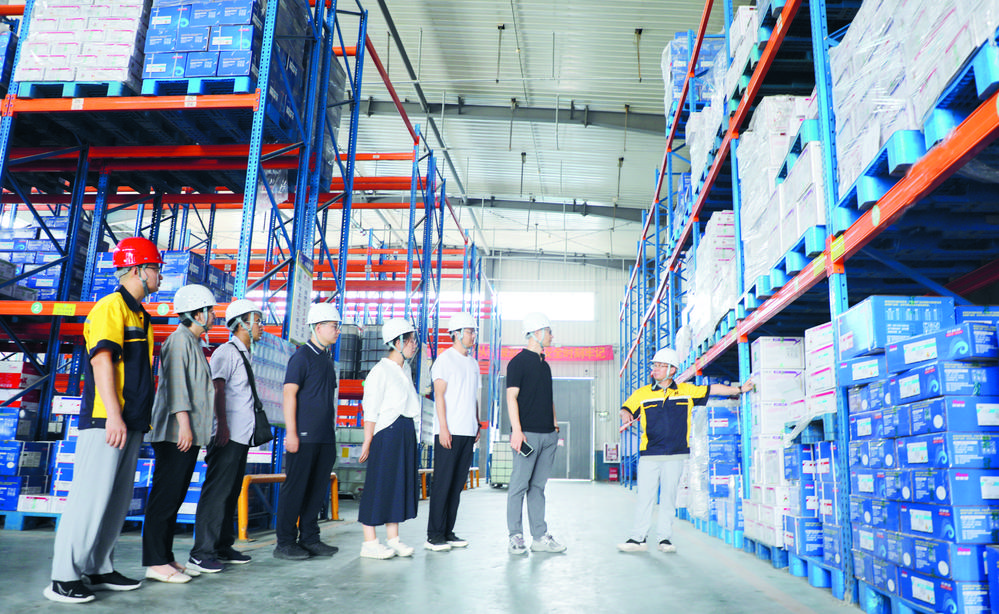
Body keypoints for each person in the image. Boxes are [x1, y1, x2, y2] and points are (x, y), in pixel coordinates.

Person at [44, 237, 162, 604]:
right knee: (90, 498)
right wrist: (113, 415)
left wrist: (133, 419)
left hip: (132, 421)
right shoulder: (111, 307)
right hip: (106, 420)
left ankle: (98, 567)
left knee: (115, 501)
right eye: (155, 268)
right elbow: (101, 360)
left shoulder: (140, 315)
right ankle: (64, 577)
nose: (159, 275)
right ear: (137, 270)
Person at [617, 347, 752, 554]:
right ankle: (637, 538)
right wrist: (624, 413)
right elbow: (626, 408)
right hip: (649, 454)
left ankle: (664, 539)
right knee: (645, 497)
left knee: (669, 497)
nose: (655, 369)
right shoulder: (642, 394)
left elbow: (713, 389)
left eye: (660, 366)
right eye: (654, 365)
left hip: (676, 454)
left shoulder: (686, 391)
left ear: (672, 370)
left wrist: (740, 389)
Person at [142, 284, 217, 582]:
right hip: (175, 434)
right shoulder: (178, 341)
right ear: (197, 313)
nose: (213, 316)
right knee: (165, 498)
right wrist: (184, 425)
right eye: (210, 311)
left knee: (174, 498)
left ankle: (166, 557)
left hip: (187, 434)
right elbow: (176, 386)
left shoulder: (193, 342)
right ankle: (154, 562)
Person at [189, 299, 262, 571]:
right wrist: (221, 426)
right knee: (217, 492)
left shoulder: (246, 353)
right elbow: (217, 389)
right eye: (257, 321)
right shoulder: (226, 352)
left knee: (230, 492)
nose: (261, 326)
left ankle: (222, 545)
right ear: (241, 323)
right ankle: (201, 552)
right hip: (226, 435)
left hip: (241, 436)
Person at [274, 302, 340, 560]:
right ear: (318, 327)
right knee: (296, 488)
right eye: (334, 326)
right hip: (303, 436)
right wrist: (292, 432)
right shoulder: (301, 357)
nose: (337, 331)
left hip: (324, 437)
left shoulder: (326, 360)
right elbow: (289, 394)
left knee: (316, 490)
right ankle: (285, 542)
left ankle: (310, 538)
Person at [357, 318, 421, 560]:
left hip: (404, 430)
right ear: (396, 342)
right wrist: (367, 440)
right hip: (387, 432)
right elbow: (370, 408)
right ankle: (369, 542)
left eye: (413, 340)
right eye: (409, 340)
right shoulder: (380, 371)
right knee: (379, 485)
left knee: (397, 485)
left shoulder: (404, 370)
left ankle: (393, 539)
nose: (413, 344)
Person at [506, 312, 566, 556]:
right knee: (518, 486)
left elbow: (548, 398)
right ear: (537, 333)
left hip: (548, 435)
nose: (552, 336)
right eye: (549, 331)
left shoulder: (545, 365)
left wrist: (554, 424)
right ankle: (515, 535)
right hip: (527, 436)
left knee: (538, 487)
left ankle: (539, 537)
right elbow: (511, 397)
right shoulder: (517, 363)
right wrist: (517, 431)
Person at [425, 312, 481, 552]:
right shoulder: (445, 360)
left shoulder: (473, 363)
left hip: (467, 431)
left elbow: (473, 397)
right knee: (443, 484)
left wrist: (477, 423)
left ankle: (448, 532)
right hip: (449, 431)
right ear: (456, 334)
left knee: (457, 485)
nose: (473, 336)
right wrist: (443, 428)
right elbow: (439, 396)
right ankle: (434, 535)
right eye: (470, 331)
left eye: (474, 332)